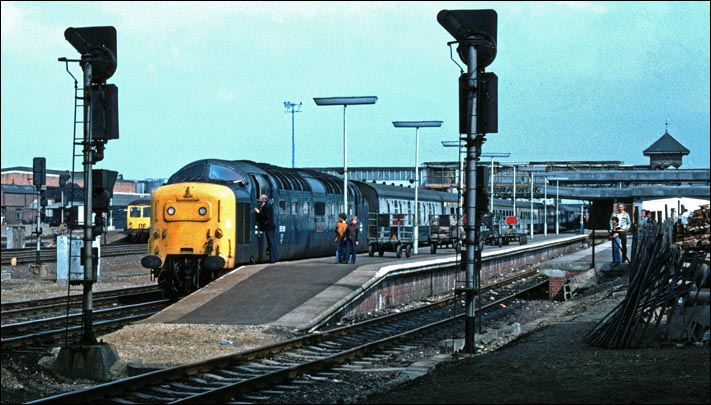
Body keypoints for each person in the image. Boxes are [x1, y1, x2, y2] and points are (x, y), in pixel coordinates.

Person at [254, 194, 278, 263]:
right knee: (271, 242)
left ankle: (273, 259)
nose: (259, 199)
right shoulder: (266, 206)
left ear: (264, 199)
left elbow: (266, 216)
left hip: (269, 227)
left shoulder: (266, 207)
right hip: (270, 227)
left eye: (260, 198)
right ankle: (274, 258)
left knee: (271, 242)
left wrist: (258, 212)